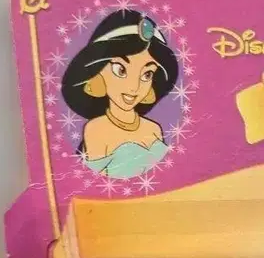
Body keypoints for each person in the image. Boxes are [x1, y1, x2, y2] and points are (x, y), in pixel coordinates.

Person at [61, 9, 179, 178]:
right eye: (120, 70)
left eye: (147, 75)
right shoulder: (95, 130)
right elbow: (94, 184)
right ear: (97, 71)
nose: (134, 87)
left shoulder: (154, 129)